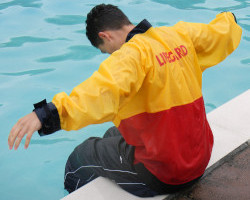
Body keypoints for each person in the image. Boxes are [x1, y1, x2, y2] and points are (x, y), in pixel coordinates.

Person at [8, 4, 242, 197]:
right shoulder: (178, 35)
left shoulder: (131, 56)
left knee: (80, 158)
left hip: (165, 175)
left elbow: (98, 92)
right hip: (199, 158)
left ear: (105, 36)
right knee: (113, 133)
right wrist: (228, 18)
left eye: (105, 50)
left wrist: (45, 115)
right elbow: (220, 31)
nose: (110, 55)